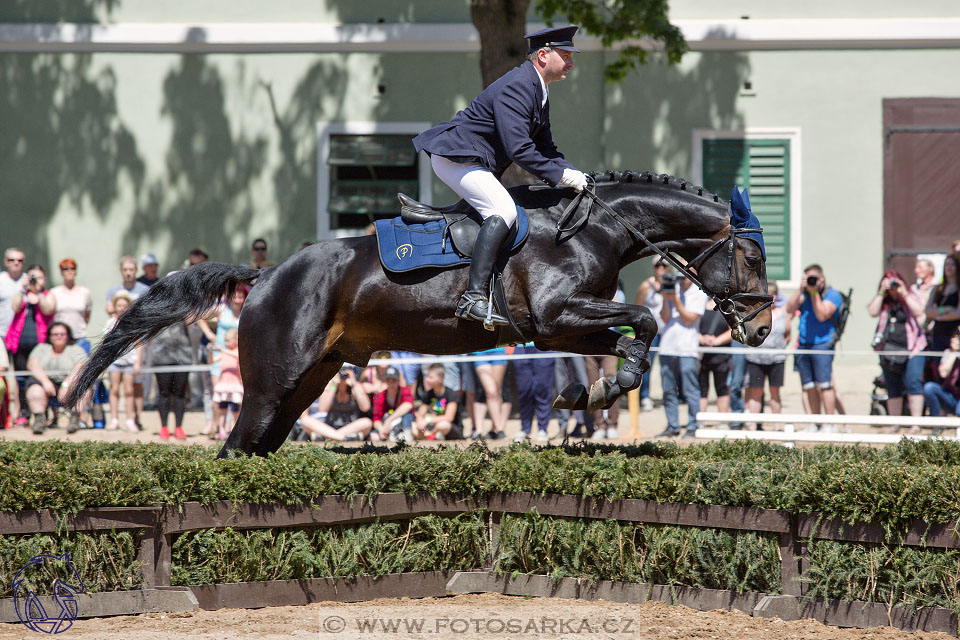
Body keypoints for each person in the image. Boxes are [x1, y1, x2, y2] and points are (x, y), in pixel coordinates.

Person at [413, 26, 588, 326]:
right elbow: (519, 148)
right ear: (543, 56)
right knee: (503, 211)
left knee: (502, 208)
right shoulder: (520, 85)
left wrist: (574, 173)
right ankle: (472, 298)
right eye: (566, 55)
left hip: (471, 159)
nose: (571, 63)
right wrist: (560, 176)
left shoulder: (538, 90)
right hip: (457, 157)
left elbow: (546, 148)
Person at [785, 264, 844, 432]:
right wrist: (799, 290)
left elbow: (822, 314)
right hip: (804, 344)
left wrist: (813, 292)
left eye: (813, 278)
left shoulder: (832, 294)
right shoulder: (803, 293)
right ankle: (815, 423)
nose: (810, 282)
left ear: (822, 278)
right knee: (808, 386)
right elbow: (789, 309)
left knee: (825, 385)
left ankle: (829, 423)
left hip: (822, 345)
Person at [867, 269, 927, 431]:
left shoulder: (909, 295)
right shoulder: (885, 302)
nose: (892, 285)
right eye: (888, 282)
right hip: (889, 350)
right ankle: (895, 423)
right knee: (892, 386)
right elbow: (872, 311)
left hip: (913, 348)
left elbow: (919, 311)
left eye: (894, 281)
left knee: (913, 383)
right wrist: (881, 291)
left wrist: (904, 293)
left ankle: (916, 424)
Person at [655, 274, 707, 437]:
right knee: (668, 390)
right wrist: (665, 298)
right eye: (679, 277)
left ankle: (693, 425)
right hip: (667, 347)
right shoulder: (673, 290)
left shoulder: (699, 293)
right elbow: (664, 318)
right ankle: (672, 425)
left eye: (685, 276)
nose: (682, 280)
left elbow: (689, 319)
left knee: (690, 389)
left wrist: (675, 299)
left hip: (687, 348)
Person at [5, 264, 56, 426]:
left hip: (41, 346)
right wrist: (22, 289)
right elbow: (14, 306)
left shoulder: (48, 295)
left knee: (41, 379)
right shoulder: (22, 295)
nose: (35, 280)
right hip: (19, 344)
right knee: (21, 380)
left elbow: (48, 310)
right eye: (33, 277)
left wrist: (38, 292)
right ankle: (24, 414)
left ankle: (43, 414)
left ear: (44, 279)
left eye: (39, 277)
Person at [198, 285, 248, 436]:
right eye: (235, 295)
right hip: (220, 357)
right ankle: (215, 426)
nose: (238, 299)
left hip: (238, 359)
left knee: (237, 395)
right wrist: (209, 334)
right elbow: (200, 316)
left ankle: (233, 427)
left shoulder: (247, 311)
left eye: (241, 295)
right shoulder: (221, 309)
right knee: (218, 394)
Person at [23, 322, 87, 434]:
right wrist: (45, 382)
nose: (59, 336)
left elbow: (81, 367)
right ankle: (39, 421)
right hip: (45, 384)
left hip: (69, 383)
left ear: (68, 335)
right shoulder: (41, 348)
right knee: (34, 389)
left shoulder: (75, 349)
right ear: (49, 336)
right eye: (55, 334)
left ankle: (74, 421)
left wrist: (66, 384)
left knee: (85, 388)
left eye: (62, 334)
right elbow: (32, 364)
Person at [744, 283, 790, 429]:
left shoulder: (783, 314)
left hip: (776, 359)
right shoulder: (754, 313)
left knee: (774, 393)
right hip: (756, 359)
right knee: (756, 393)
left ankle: (777, 426)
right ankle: (753, 426)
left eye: (773, 294)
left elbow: (788, 335)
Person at [298, 367, 373, 441]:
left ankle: (329, 437)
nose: (343, 375)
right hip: (330, 427)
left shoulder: (356, 387)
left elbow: (365, 407)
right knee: (305, 420)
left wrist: (354, 384)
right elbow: (323, 409)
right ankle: (342, 438)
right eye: (340, 372)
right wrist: (333, 386)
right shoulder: (330, 386)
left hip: (351, 427)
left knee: (367, 422)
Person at [634, 257, 669, 412]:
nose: (660, 268)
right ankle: (645, 396)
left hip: (667, 331)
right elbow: (638, 309)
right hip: (651, 333)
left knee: (667, 366)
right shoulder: (645, 285)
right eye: (657, 265)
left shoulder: (671, 285)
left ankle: (669, 394)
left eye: (664, 265)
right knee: (647, 364)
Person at [150, 319, 194, 440]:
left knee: (180, 393)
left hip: (183, 355)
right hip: (161, 355)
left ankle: (178, 428)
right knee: (164, 392)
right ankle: (164, 427)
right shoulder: (158, 307)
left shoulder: (184, 306)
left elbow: (193, 319)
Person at [104, 291, 141, 431]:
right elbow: (106, 344)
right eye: (119, 305)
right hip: (114, 361)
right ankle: (114, 419)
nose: (121, 308)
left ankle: (130, 419)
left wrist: (138, 362)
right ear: (114, 306)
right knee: (113, 389)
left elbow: (139, 343)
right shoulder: (110, 323)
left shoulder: (133, 323)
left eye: (124, 305)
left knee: (129, 390)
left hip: (129, 361)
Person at [513, 343, 555, 441]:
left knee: (543, 389)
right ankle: (525, 429)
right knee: (524, 390)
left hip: (544, 345)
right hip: (520, 346)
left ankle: (543, 429)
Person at [50, 258, 92, 353]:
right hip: (60, 339)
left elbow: (87, 316)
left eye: (72, 268)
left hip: (79, 338)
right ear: (61, 272)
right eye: (65, 269)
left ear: (76, 271)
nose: (69, 271)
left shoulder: (85, 292)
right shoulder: (54, 292)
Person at [698, 299, 732, 415]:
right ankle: (700, 421)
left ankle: (723, 421)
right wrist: (701, 338)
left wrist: (716, 341)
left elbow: (733, 330)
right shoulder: (698, 304)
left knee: (722, 389)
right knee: (701, 389)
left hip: (721, 355)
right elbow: (689, 325)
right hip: (700, 355)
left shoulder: (727, 308)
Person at [413, 363, 462, 440]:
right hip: (434, 426)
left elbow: (449, 418)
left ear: (440, 378)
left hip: (451, 428)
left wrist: (427, 420)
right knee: (414, 425)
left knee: (443, 425)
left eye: (431, 377)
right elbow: (420, 414)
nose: (427, 379)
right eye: (427, 376)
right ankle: (434, 436)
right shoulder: (428, 394)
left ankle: (431, 435)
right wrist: (420, 422)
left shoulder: (451, 394)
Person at [468, 348, 508, 439]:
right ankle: (499, 429)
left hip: (498, 350)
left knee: (497, 392)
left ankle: (495, 429)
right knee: (491, 391)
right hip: (480, 352)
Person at [211, 328, 243, 440]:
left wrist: (222, 350)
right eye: (225, 340)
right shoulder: (224, 353)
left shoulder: (236, 352)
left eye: (228, 340)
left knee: (235, 411)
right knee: (222, 410)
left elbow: (237, 356)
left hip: (234, 386)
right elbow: (212, 361)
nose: (226, 343)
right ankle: (222, 431)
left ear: (235, 340)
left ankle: (235, 431)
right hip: (223, 386)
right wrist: (210, 352)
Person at [926, 253, 960, 353]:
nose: (949, 267)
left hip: (955, 335)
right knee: (938, 366)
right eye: (947, 264)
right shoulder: (937, 288)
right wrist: (945, 309)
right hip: (938, 334)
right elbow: (928, 310)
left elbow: (958, 313)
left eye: (952, 265)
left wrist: (938, 316)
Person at [922, 327, 960, 418]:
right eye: (954, 336)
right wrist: (954, 353)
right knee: (929, 388)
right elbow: (943, 373)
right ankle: (937, 423)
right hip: (950, 397)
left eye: (958, 337)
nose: (953, 339)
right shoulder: (949, 352)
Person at [372, 366, 414, 441]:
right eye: (388, 380)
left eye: (394, 380)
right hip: (388, 428)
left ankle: (406, 436)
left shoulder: (404, 391)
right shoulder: (379, 396)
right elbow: (376, 419)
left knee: (408, 415)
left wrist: (389, 421)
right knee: (374, 436)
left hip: (404, 424)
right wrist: (382, 429)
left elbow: (408, 405)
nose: (391, 384)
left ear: (398, 381)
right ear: (385, 381)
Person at [0, 247, 27, 344]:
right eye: (12, 260)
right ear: (5, 262)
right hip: (2, 333)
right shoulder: (1, 280)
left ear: (24, 263)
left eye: (20, 260)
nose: (16, 263)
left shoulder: (28, 280)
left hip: (22, 334)